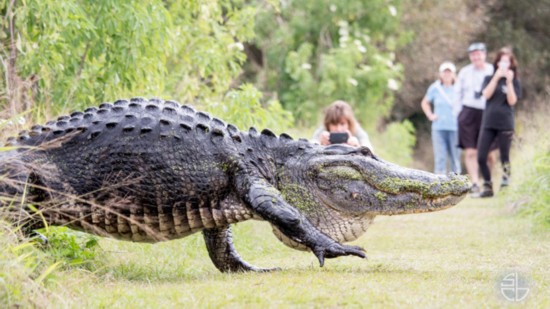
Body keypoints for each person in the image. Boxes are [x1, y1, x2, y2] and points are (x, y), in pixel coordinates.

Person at [477, 48, 521, 198]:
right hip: (488, 122)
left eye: (507, 61)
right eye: (501, 61)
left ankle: (505, 183)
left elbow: (512, 101)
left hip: (505, 123)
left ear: (511, 64)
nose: (504, 64)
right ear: (497, 62)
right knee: (481, 156)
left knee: (505, 156)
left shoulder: (515, 81)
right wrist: (496, 78)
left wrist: (508, 82)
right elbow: (486, 94)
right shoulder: (489, 78)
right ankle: (488, 186)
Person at [455, 42, 496, 196]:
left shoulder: (492, 70)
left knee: (489, 153)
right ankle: (474, 183)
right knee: (471, 151)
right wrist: (458, 115)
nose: (476, 57)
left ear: (484, 54)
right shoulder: (465, 72)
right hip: (468, 112)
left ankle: (487, 181)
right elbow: (457, 94)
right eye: (473, 55)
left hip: (488, 113)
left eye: (479, 54)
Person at [421, 61, 461, 175]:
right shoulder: (435, 88)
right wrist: (430, 115)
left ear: (453, 74)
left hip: (455, 127)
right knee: (440, 157)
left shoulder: (459, 88)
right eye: (445, 72)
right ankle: (439, 184)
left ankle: (456, 184)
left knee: (455, 157)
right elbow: (425, 102)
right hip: (439, 128)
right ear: (440, 74)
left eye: (449, 72)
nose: (447, 74)